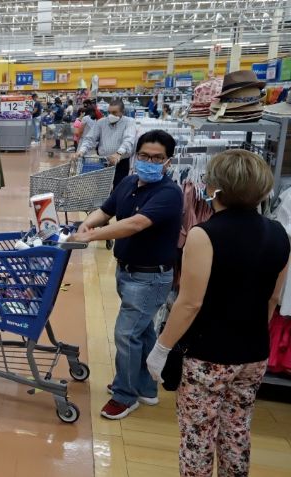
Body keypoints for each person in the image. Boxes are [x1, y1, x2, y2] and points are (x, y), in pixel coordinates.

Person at [146, 150, 289, 476]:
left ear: (217, 187)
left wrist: (161, 348)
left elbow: (190, 302)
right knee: (236, 432)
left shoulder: (204, 234)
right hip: (254, 353)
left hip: (208, 355)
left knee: (198, 437)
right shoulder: (280, 234)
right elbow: (273, 298)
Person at [70, 130, 183, 420]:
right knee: (142, 331)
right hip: (128, 272)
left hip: (150, 278)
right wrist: (85, 226)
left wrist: (91, 236)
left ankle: (124, 395)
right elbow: (106, 210)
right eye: (144, 156)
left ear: (168, 162)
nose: (149, 161)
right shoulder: (129, 181)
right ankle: (145, 387)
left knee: (126, 334)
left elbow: (133, 225)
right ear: (135, 156)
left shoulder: (169, 193)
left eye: (157, 158)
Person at [74, 98, 138, 188]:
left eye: (114, 112)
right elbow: (89, 138)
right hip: (104, 161)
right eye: (109, 112)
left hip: (121, 161)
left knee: (119, 187)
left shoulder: (129, 122)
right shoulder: (101, 122)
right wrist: (82, 150)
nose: (111, 115)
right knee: (102, 187)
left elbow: (129, 139)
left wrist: (118, 153)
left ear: (122, 112)